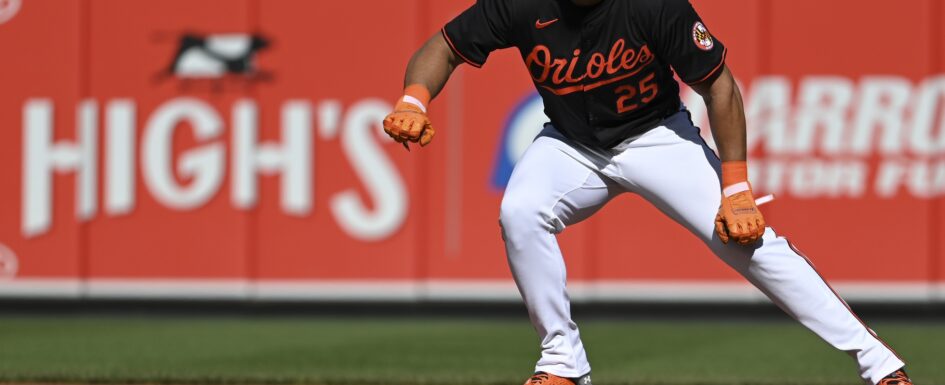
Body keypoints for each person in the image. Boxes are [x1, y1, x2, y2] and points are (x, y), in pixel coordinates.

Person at [381, 1, 913, 384]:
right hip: (571, 144)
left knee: (745, 239)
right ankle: (562, 364)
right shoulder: (522, 4)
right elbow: (443, 48)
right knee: (520, 212)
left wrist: (737, 186)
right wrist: (414, 100)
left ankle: (879, 364)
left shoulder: (653, 5)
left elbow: (719, 85)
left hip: (657, 136)